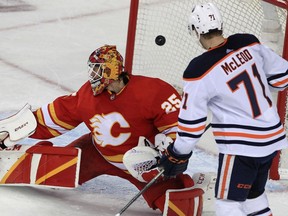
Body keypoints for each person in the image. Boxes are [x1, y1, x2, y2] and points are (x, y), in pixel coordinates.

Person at [0, 45, 206, 215]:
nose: (92, 76)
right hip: (96, 153)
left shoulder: (153, 91)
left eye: (98, 70)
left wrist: (169, 154)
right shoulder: (88, 96)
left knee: (180, 209)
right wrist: (11, 131)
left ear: (112, 70)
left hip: (142, 167)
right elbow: (51, 119)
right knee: (54, 171)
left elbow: (177, 129)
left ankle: (193, 186)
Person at [159, 2, 288, 216]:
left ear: (195, 31)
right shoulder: (248, 42)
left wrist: (177, 154)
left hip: (241, 148)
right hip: (271, 140)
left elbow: (192, 127)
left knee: (227, 205)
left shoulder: (198, 70)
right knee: (253, 199)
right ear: (220, 24)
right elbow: (282, 79)